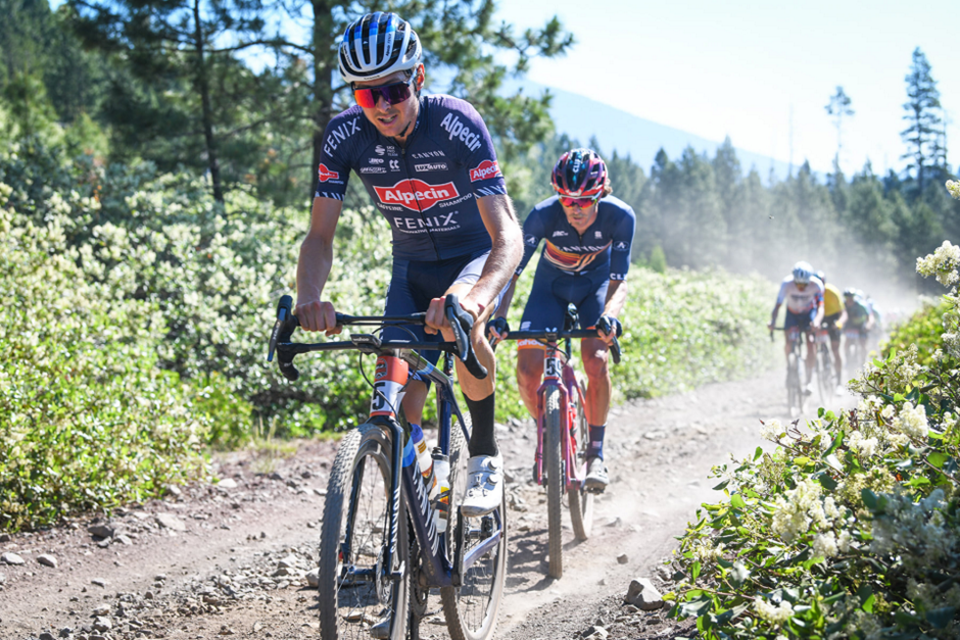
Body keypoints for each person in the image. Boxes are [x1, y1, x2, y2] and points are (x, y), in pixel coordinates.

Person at [295, 12, 523, 517]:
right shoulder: (344, 137)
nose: (380, 106)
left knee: (463, 333)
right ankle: (427, 499)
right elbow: (318, 237)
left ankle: (484, 455)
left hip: (473, 258)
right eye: (364, 94)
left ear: (417, 78)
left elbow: (507, 234)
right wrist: (308, 297)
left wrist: (475, 299)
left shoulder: (456, 122)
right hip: (411, 270)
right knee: (399, 409)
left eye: (393, 91)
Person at [487, 148, 635, 491]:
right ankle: (550, 431)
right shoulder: (543, 215)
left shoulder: (621, 217)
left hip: (594, 288)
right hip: (549, 288)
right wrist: (499, 315)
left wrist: (610, 317)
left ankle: (595, 452)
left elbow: (619, 281)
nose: (575, 208)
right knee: (526, 371)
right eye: (567, 200)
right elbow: (513, 273)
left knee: (596, 360)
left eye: (584, 200)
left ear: (601, 193)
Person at [768, 261, 825, 395]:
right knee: (788, 341)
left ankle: (809, 380)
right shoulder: (786, 284)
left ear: (809, 281)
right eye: (798, 284)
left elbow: (821, 307)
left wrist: (816, 321)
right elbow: (777, 305)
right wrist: (772, 321)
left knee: (811, 342)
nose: (800, 287)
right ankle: (790, 367)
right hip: (792, 314)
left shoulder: (816, 285)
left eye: (803, 285)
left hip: (808, 314)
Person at [816, 270, 847, 389]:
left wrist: (839, 323)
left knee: (835, 349)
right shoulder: (812, 292)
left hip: (833, 318)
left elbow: (843, 313)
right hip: (820, 317)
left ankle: (839, 381)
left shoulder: (832, 291)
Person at [842, 288, 874, 371]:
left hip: (861, 327)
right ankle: (847, 359)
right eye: (847, 297)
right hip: (849, 326)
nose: (849, 299)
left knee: (863, 344)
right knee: (847, 341)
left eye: (851, 297)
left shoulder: (860, 305)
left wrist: (868, 325)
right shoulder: (843, 305)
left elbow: (870, 317)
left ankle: (863, 361)